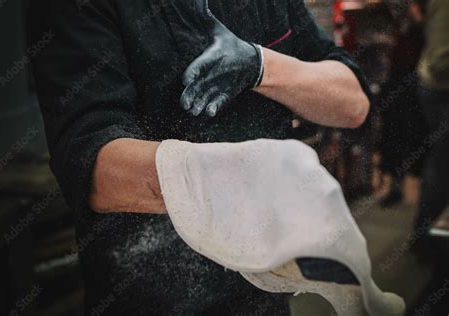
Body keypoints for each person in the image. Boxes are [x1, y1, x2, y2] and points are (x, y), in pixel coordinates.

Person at [28, 0, 370, 314]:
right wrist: (231, 177)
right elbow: (94, 167)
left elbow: (353, 103)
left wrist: (262, 66)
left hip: (263, 293)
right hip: (147, 296)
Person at [377, 0, 427, 207]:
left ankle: (412, 189)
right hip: (397, 75)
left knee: (413, 133)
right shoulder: (396, 12)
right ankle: (393, 185)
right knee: (392, 131)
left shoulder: (423, 11)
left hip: (415, 76)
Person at [413, 0, 449, 246]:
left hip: (436, 85)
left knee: (439, 162)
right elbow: (440, 60)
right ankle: (427, 238)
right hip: (439, 89)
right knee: (441, 163)